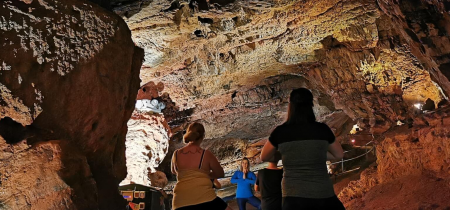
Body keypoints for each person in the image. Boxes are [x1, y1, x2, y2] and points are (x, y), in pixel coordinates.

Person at [260, 88, 345, 210]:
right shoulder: (322, 129)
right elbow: (339, 155)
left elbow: (264, 156)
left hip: (293, 195)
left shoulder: (280, 131)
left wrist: (287, 154)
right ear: (311, 105)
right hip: (322, 192)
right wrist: (315, 153)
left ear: (291, 106)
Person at [171, 122, 228, 210]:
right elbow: (220, 173)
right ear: (202, 136)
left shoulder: (176, 153)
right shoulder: (206, 154)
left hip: (179, 201)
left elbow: (174, 171)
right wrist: (206, 174)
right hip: (204, 197)